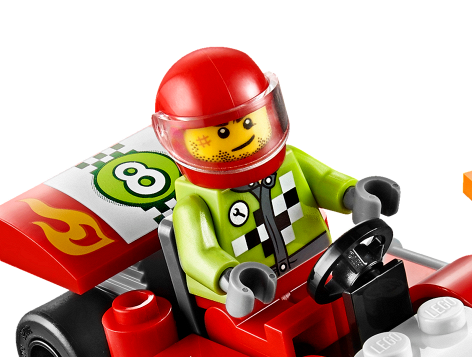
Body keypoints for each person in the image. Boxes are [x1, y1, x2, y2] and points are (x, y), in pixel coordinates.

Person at [152, 47, 400, 317]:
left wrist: (356, 195)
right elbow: (199, 254)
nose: (242, 138)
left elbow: (325, 180)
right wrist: (230, 278)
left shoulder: (291, 162)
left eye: (249, 123)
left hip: (319, 271)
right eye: (222, 133)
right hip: (250, 308)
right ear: (181, 141)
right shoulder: (194, 205)